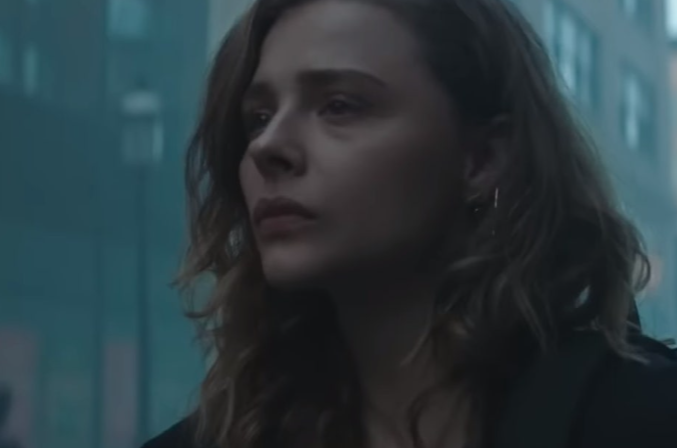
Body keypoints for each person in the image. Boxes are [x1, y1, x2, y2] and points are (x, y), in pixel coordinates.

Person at [144, 0, 677, 447]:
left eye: (339, 105)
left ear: (482, 158)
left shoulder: (642, 417)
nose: (267, 146)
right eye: (258, 118)